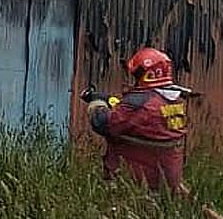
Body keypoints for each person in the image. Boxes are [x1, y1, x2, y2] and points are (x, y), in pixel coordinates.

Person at [81, 47, 189, 191]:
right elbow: (140, 119)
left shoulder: (138, 104)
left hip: (136, 179)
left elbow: (104, 123)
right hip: (168, 178)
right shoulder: (174, 100)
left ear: (147, 75)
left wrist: (97, 104)